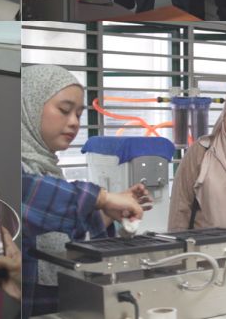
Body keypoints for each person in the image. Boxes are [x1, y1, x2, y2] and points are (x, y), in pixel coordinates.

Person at [20, 65, 149, 316]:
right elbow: (34, 196)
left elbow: (63, 230)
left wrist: (110, 211)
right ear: (30, 105)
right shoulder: (19, 167)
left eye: (78, 114)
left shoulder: (48, 167)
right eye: (65, 110)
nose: (73, 123)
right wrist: (103, 197)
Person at [168, 83, 226, 232]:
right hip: (203, 252)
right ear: (224, 114)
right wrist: (179, 248)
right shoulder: (202, 151)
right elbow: (180, 207)